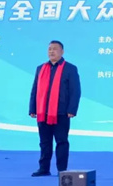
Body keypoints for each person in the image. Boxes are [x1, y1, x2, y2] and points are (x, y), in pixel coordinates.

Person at [29, 40, 81, 176]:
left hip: (61, 112)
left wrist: (72, 110)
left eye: (55, 49)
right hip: (43, 112)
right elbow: (35, 89)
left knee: (61, 142)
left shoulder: (70, 68)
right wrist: (32, 108)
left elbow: (75, 91)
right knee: (44, 142)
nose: (51, 51)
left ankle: (62, 170)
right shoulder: (41, 68)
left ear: (62, 52)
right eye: (49, 49)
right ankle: (44, 169)